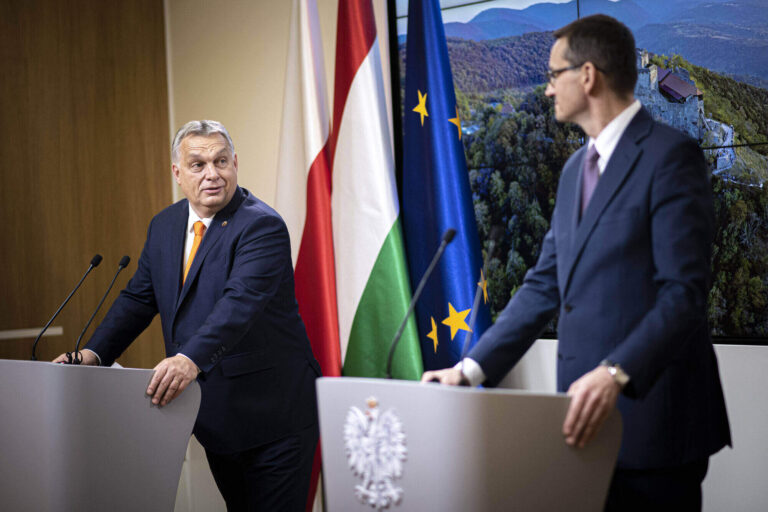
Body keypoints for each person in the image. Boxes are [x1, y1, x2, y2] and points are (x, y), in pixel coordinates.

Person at [422, 15, 730, 511]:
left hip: (655, 432)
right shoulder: (574, 171)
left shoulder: (672, 156)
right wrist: (469, 371)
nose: (547, 89)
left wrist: (614, 373)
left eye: (553, 75)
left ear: (587, 76)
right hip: (582, 427)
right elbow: (543, 285)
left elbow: (684, 295)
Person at [54, 120, 321, 511]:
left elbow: (239, 304)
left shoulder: (261, 226)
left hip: (275, 415)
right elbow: (138, 299)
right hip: (220, 416)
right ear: (177, 173)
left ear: (235, 164)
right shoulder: (165, 225)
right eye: (198, 165)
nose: (212, 174)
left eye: (221, 161)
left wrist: (188, 359)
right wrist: (95, 354)